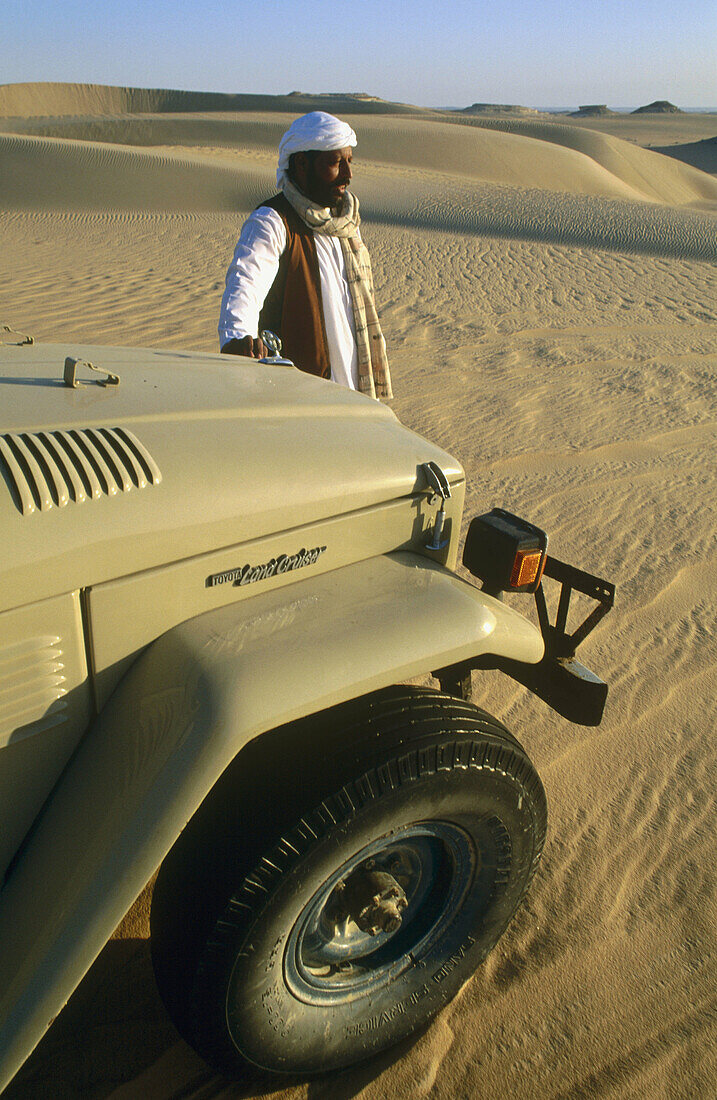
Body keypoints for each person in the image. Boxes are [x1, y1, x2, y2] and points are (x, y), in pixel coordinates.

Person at [218, 111, 392, 400]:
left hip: (355, 393)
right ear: (301, 163)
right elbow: (244, 286)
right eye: (335, 164)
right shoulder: (273, 222)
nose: (348, 175)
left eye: (349, 162)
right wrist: (238, 341)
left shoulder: (346, 225)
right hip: (301, 397)